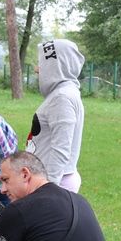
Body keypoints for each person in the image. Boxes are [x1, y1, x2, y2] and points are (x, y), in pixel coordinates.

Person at [27, 38, 86, 192]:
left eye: (43, 64)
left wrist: (48, 190)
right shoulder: (63, 93)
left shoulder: (62, 97)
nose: (37, 69)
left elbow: (61, 149)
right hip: (48, 180)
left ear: (56, 66)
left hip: (55, 182)